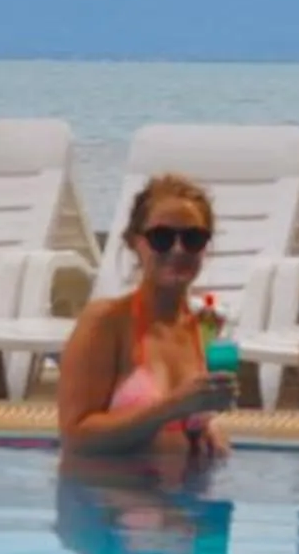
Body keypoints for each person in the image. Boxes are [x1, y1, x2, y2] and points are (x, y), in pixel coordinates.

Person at [54, 173, 239, 464]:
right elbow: (75, 437)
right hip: (104, 490)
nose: (178, 249)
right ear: (134, 242)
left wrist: (206, 428)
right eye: (161, 238)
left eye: (193, 239)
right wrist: (172, 407)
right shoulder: (106, 321)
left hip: (185, 490)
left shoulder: (201, 328)